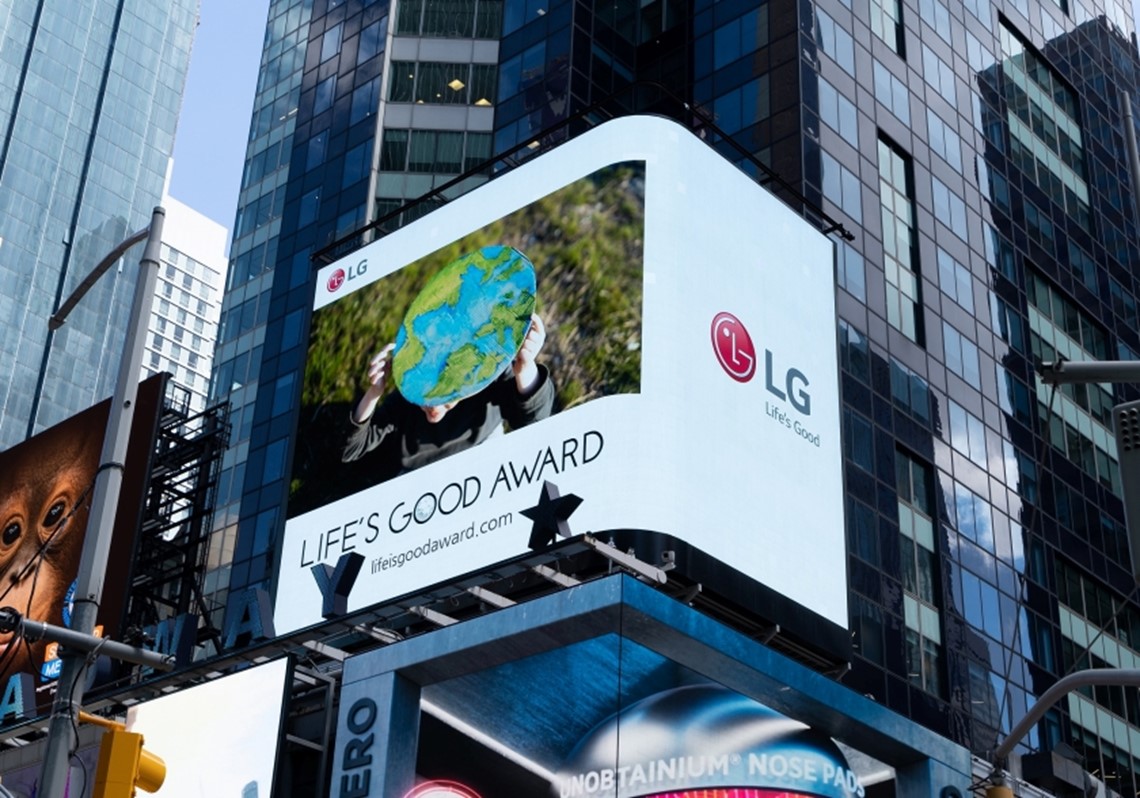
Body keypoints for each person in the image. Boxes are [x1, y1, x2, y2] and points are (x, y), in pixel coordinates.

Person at [343, 314, 555, 476]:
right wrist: (373, 393)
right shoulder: (405, 401)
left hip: (482, 446)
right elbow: (350, 449)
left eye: (446, 397)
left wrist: (525, 369)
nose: (434, 406)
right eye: (426, 395)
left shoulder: (488, 375)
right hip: (421, 471)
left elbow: (535, 422)